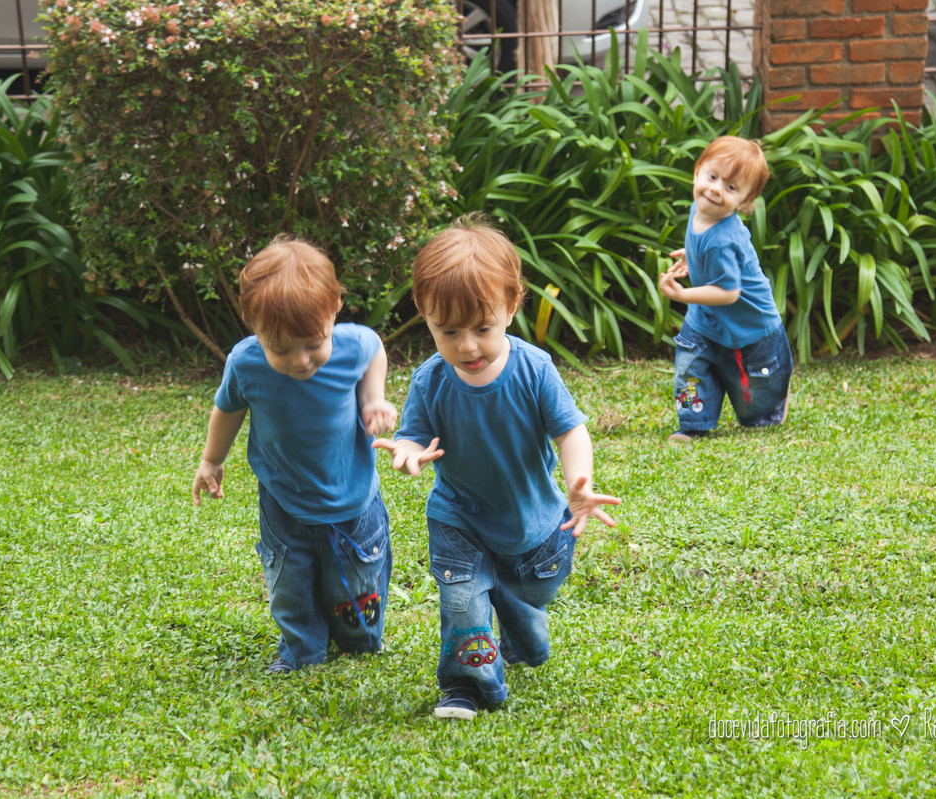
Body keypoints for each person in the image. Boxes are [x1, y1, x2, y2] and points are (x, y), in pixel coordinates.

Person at [373, 213, 620, 720]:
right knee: (463, 603)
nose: (467, 345)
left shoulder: (535, 370)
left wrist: (581, 484)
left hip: (533, 522)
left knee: (528, 594)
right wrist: (409, 451)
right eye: (449, 330)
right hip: (458, 517)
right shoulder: (430, 381)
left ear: (511, 306)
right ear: (424, 314)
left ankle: (516, 619)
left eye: (482, 328)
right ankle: (466, 686)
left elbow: (570, 430)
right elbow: (415, 433)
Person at [191, 234, 398, 673]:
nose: (301, 360)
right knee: (289, 582)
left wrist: (372, 398)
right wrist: (211, 459)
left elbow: (375, 350)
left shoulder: (351, 345)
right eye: (280, 349)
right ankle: (302, 649)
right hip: (283, 499)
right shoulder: (246, 364)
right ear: (255, 329)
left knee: (359, 590)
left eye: (312, 342)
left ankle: (357, 637)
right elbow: (227, 409)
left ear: (334, 310)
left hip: (353, 499)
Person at [658, 135, 793, 441]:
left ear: (744, 203)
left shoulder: (723, 239)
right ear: (698, 172)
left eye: (731, 187)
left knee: (755, 408)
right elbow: (704, 246)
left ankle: (771, 404)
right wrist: (692, 259)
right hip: (704, 320)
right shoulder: (700, 208)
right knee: (688, 373)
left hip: (751, 330)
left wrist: (681, 295)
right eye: (713, 177)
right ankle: (694, 424)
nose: (716, 189)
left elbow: (728, 293)